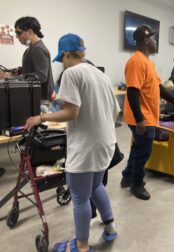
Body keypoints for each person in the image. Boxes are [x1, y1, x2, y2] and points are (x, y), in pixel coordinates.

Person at [25, 33, 120, 251]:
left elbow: (72, 112)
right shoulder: (101, 75)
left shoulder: (72, 73)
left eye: (62, 59)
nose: (62, 64)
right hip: (106, 144)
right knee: (96, 185)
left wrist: (42, 117)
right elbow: (115, 111)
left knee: (79, 198)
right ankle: (110, 228)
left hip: (86, 147)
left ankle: (81, 246)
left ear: (66, 54)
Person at [121, 25, 174, 200]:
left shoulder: (148, 62)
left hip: (147, 115)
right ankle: (136, 183)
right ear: (145, 40)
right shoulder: (136, 62)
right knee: (143, 151)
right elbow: (132, 92)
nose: (156, 42)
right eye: (154, 39)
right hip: (141, 117)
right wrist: (140, 119)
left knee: (138, 148)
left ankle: (127, 177)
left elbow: (158, 87)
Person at [14, 16, 54, 103]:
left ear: (30, 31)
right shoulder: (31, 48)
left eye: (18, 33)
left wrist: (16, 78)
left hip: (41, 99)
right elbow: (35, 69)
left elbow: (42, 76)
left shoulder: (38, 49)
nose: (17, 36)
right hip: (34, 96)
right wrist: (22, 70)